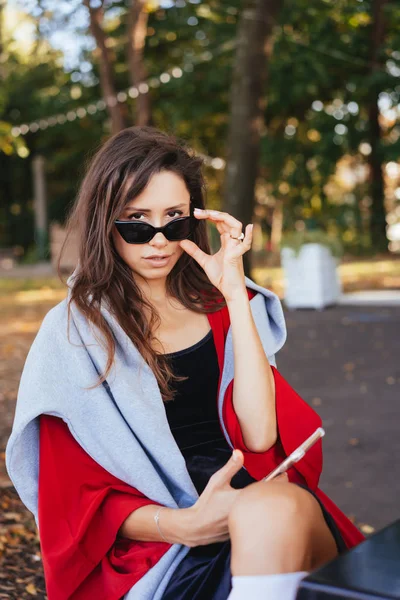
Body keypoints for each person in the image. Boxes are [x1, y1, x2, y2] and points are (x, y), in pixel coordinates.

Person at [6, 126, 364, 600]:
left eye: (173, 219)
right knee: (266, 518)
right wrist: (186, 525)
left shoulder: (218, 305)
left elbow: (259, 435)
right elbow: (72, 501)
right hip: (162, 544)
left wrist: (235, 295)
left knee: (268, 512)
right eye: (136, 221)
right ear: (103, 222)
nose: (158, 240)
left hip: (262, 509)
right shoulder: (73, 334)